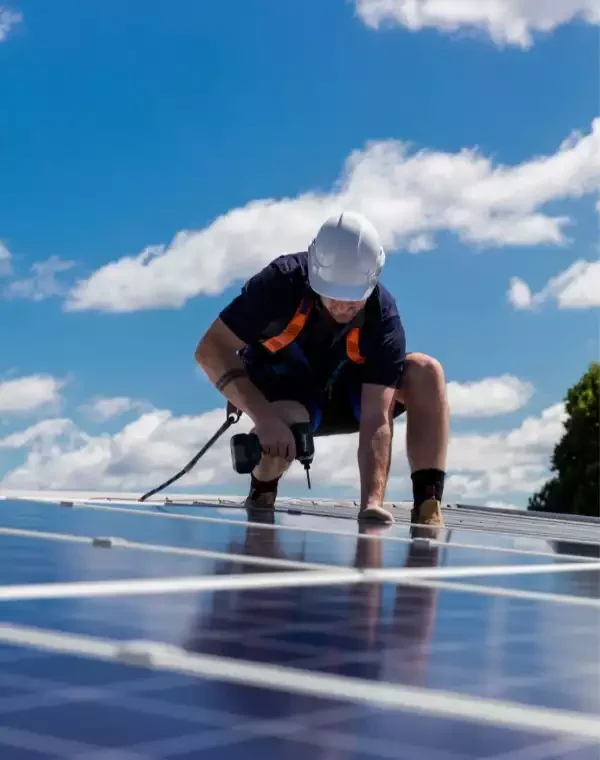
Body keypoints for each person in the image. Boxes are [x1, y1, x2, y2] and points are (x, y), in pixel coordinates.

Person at [195, 211, 449, 525]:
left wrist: (372, 504)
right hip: (286, 395)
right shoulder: (281, 282)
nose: (343, 306)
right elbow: (210, 348)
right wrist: (263, 414)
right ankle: (262, 490)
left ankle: (428, 505)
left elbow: (376, 418)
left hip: (351, 399)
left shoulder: (382, 316)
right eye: (334, 296)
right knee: (286, 422)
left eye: (353, 299)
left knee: (426, 371)